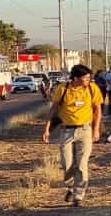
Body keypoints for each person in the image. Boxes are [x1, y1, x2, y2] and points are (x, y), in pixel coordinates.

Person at [43, 64, 103, 207]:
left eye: (89, 77)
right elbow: (53, 109)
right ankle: (70, 187)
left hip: (85, 130)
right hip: (66, 131)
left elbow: (98, 110)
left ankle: (78, 195)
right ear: (76, 78)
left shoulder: (92, 88)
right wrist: (46, 129)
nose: (88, 80)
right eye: (85, 77)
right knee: (66, 164)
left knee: (82, 164)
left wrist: (96, 129)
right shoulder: (63, 89)